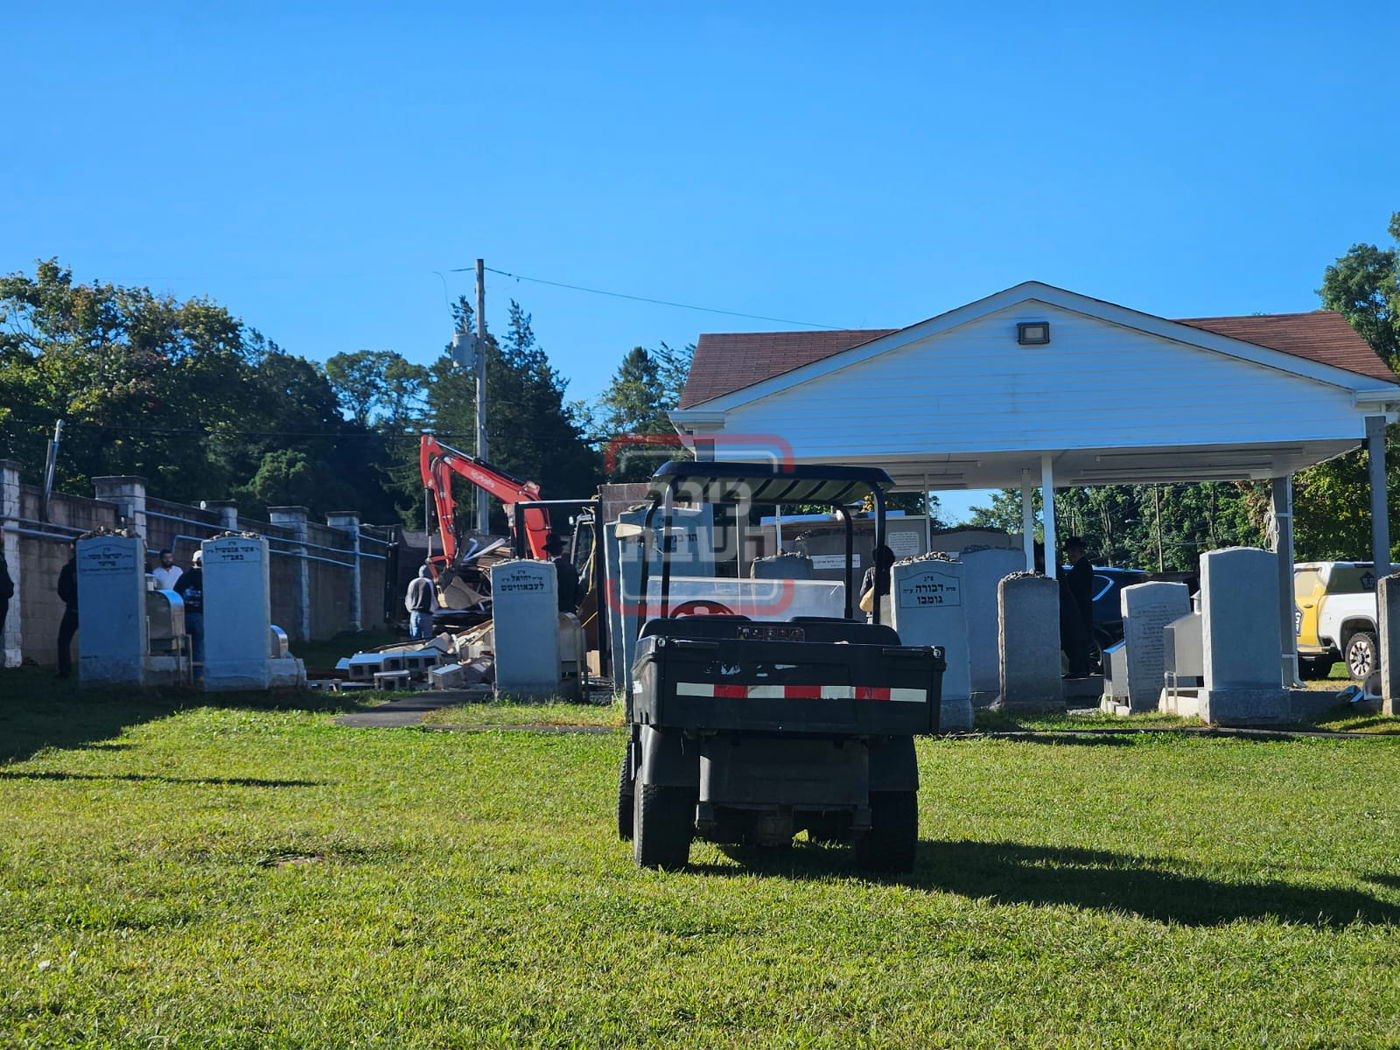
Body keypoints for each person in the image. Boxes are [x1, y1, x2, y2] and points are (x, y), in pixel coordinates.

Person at [1059, 536, 1095, 678]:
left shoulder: (1083, 567)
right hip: (1081, 608)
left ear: (1080, 551)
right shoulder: (1080, 567)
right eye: (1069, 551)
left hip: (1081, 609)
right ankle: (1079, 669)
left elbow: (1075, 588)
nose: (1070, 554)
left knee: (1078, 640)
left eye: (1073, 551)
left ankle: (1080, 669)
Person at [174, 549, 204, 672]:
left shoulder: (184, 577)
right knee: (199, 646)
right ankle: (198, 675)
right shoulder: (207, 577)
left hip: (183, 616)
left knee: (183, 647)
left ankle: (184, 673)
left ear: (193, 562)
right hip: (200, 616)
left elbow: (176, 594)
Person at [56, 549, 79, 678]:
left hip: (73, 609)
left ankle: (65, 671)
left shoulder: (69, 568)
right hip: (90, 610)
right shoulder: (93, 566)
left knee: (64, 640)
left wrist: (71, 600)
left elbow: (62, 590)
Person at [544, 534, 580, 614]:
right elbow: (577, 591)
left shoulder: (547, 570)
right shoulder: (571, 568)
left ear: (548, 553)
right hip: (570, 611)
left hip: (554, 612)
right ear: (562, 551)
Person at [859, 545, 895, 622]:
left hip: (875, 616)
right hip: (893, 615)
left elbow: (863, 595)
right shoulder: (896, 572)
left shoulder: (870, 572)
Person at [404, 565, 437, 640]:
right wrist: (434, 611)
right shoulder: (430, 582)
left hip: (413, 614)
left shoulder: (412, 582)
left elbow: (408, 599)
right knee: (426, 640)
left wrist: (410, 610)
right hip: (426, 614)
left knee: (415, 639)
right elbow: (433, 599)